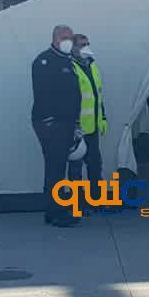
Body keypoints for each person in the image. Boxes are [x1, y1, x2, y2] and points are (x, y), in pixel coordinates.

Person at [32, 25, 81, 228]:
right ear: (55, 38)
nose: (68, 41)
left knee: (59, 167)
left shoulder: (67, 60)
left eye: (70, 37)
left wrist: (75, 123)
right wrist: (49, 120)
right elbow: (43, 94)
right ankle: (56, 212)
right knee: (55, 168)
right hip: (52, 124)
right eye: (64, 37)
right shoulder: (45, 61)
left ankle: (55, 209)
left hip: (66, 123)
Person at [67, 35, 106, 201]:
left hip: (93, 126)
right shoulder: (70, 68)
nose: (86, 47)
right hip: (77, 129)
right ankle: (77, 203)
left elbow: (98, 95)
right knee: (75, 168)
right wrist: (72, 125)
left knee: (95, 165)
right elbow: (68, 99)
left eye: (87, 44)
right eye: (82, 45)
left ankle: (97, 200)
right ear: (73, 48)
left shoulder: (92, 65)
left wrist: (103, 118)